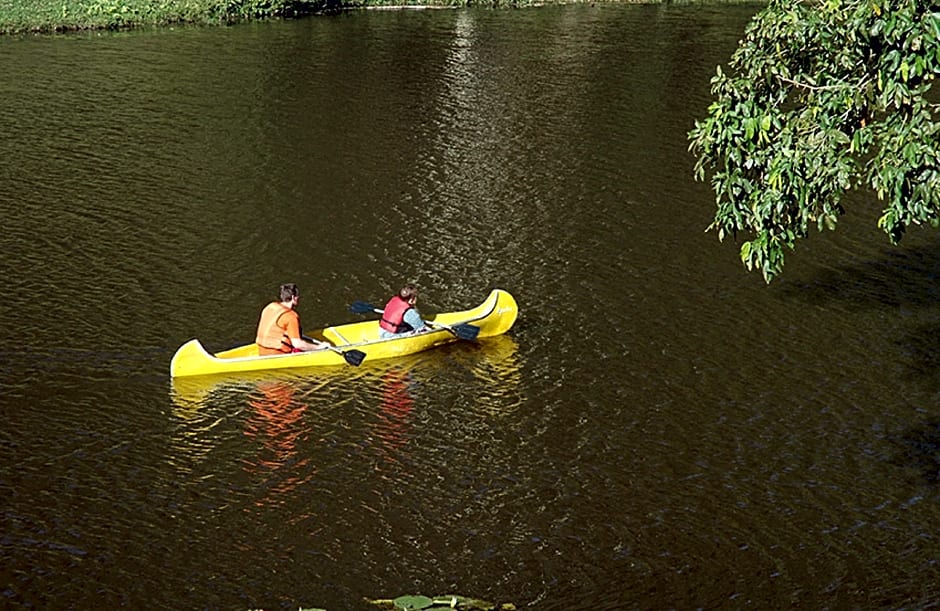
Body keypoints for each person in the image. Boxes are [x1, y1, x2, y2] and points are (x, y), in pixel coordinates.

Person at [256, 283, 329, 356]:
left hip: (262, 351)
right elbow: (298, 344)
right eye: (297, 297)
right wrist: (319, 347)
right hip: (278, 355)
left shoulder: (270, 307)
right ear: (293, 297)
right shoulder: (291, 316)